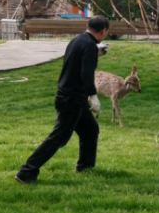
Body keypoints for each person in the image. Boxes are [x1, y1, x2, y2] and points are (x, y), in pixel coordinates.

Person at [15, 16, 109, 183]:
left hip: (71, 97)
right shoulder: (89, 46)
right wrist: (94, 97)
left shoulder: (77, 40)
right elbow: (86, 74)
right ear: (104, 31)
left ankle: (85, 167)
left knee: (90, 130)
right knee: (59, 138)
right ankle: (27, 172)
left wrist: (96, 52)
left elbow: (77, 62)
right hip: (71, 99)